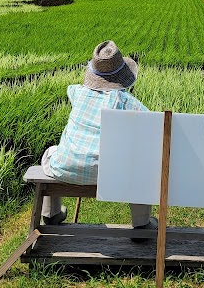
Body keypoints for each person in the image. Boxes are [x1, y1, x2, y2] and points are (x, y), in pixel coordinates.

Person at [39, 40, 157, 238]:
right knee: (141, 166)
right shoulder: (126, 101)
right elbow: (152, 125)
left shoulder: (77, 92)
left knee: (51, 151)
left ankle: (50, 214)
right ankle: (142, 223)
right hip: (109, 174)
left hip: (66, 167)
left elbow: (74, 91)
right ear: (123, 76)